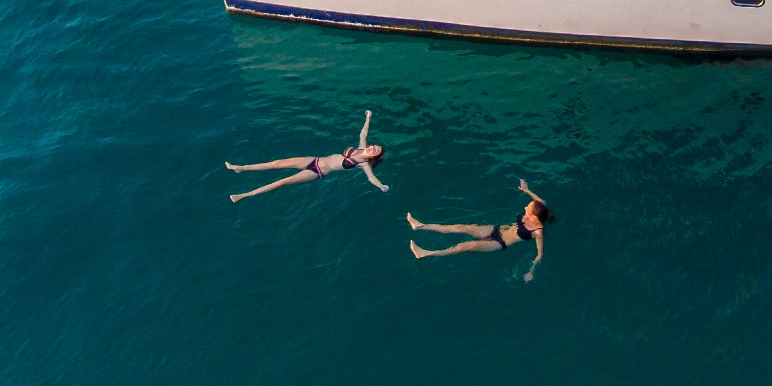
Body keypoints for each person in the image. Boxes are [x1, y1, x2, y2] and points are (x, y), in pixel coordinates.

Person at [226, 110, 388, 202]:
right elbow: (363, 133)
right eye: (374, 146)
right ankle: (240, 168)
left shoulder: (364, 164)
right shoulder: (361, 147)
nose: (373, 148)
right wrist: (368, 118)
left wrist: (380, 185)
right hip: (315, 159)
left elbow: (371, 178)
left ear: (373, 157)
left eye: (375, 150)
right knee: (277, 163)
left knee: (281, 182)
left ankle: (244, 195)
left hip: (318, 171)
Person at [408, 179, 552, 281]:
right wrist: (527, 190)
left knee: (465, 246)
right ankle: (421, 225)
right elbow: (540, 201)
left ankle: (425, 253)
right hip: (497, 229)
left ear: (534, 217)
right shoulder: (541, 207)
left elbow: (539, 255)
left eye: (528, 208)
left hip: (499, 242)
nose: (525, 208)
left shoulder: (537, 232)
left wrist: (530, 271)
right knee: (462, 227)